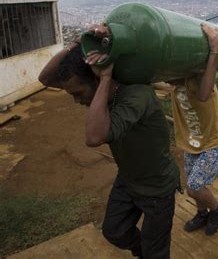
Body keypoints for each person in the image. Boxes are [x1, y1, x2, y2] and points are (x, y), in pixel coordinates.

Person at [38, 25, 180, 259]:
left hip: (157, 187)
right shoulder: (100, 91)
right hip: (128, 177)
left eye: (78, 93)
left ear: (96, 79)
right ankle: (144, 252)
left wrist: (104, 77)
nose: (76, 101)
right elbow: (45, 78)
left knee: (157, 251)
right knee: (114, 232)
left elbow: (94, 137)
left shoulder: (137, 95)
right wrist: (79, 43)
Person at [168, 23, 218, 236]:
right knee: (195, 187)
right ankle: (202, 214)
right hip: (192, 142)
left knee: (194, 187)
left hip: (213, 141)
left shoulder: (199, 80)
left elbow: (203, 95)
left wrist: (214, 49)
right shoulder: (171, 84)